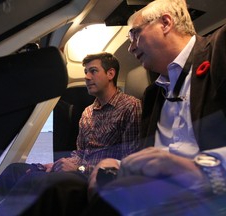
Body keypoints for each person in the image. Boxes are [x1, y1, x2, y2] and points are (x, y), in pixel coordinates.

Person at [83, 0, 226, 215]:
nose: (131, 47)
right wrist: (119, 163)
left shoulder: (221, 49)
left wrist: (203, 169)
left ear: (166, 23)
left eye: (134, 35)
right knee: (60, 189)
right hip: (157, 194)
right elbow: (153, 158)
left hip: (208, 198)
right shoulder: (152, 95)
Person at [0, 52, 142, 215]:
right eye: (85, 72)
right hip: (78, 170)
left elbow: (128, 160)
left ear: (110, 74)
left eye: (93, 71)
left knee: (35, 179)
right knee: (15, 170)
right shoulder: (87, 112)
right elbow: (80, 153)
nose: (87, 77)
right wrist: (57, 164)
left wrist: (80, 168)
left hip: (99, 177)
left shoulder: (130, 106)